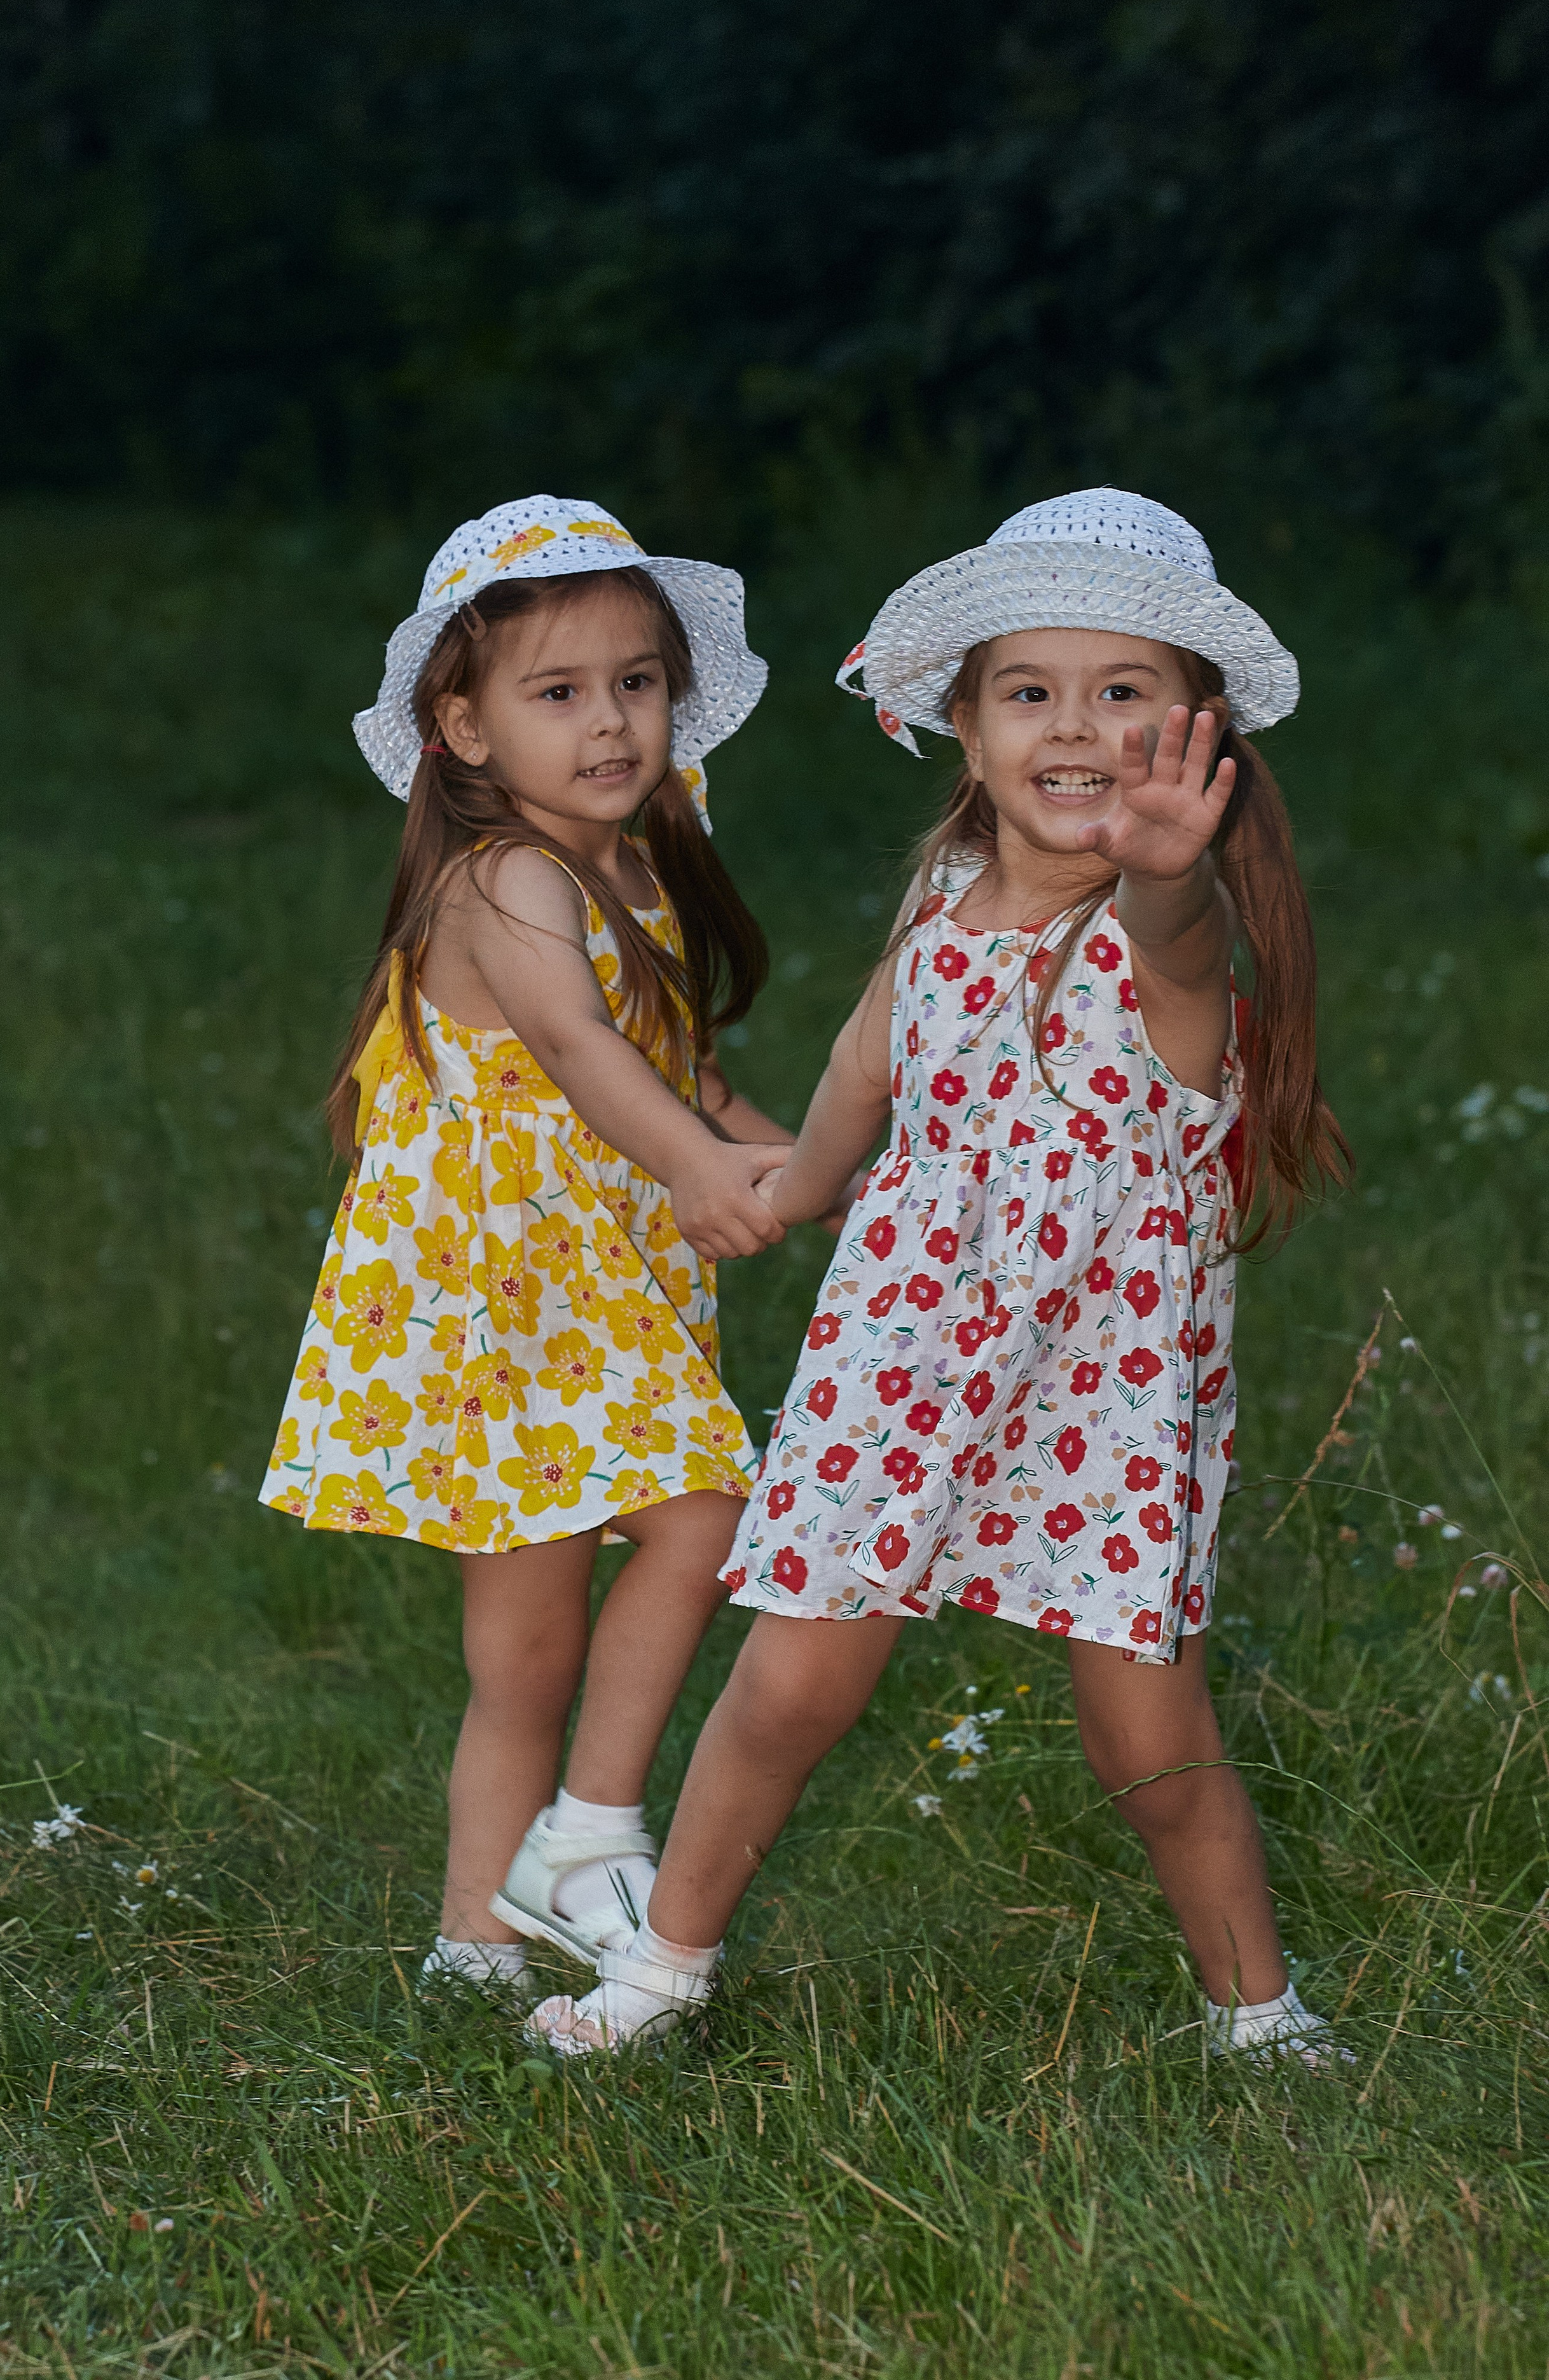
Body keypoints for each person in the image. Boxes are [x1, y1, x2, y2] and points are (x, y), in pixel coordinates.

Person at [529, 486, 1353, 2062]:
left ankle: (1259, 2021)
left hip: (1099, 1407)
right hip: (897, 1369)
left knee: (1145, 1738)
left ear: (1192, 740)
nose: (1074, 727)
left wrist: (1170, 870)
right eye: (1029, 691)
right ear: (964, 728)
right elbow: (865, 1057)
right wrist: (794, 1187)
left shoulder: (1167, 952)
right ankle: (657, 1978)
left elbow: (1174, 925)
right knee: (784, 1690)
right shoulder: (942, 904)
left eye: (1122, 694)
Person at [261, 495, 792, 1997]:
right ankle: (575, 1845)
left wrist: (802, 1166)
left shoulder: (631, 869)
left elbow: (672, 1065)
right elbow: (571, 1048)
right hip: (507, 1304)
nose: (612, 721)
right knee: (674, 1535)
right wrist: (694, 1167)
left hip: (588, 1292)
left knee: (550, 1633)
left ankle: (481, 1935)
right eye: (557, 692)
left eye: (636, 682)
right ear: (466, 725)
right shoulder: (504, 880)